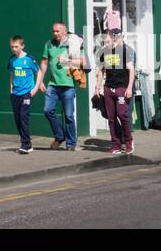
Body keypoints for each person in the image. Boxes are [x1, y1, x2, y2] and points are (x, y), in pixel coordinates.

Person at [35, 22, 84, 150]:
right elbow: (44, 63)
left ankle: (71, 143)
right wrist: (40, 81)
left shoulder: (74, 44)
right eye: (54, 31)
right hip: (53, 85)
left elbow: (83, 63)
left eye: (58, 31)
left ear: (64, 31)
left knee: (68, 115)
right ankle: (59, 136)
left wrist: (67, 61)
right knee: (47, 110)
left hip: (68, 85)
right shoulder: (49, 44)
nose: (55, 33)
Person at [95, 29, 136, 155]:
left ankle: (128, 141)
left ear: (113, 39)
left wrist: (129, 88)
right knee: (111, 118)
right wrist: (97, 86)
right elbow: (101, 71)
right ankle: (116, 144)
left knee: (122, 114)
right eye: (103, 42)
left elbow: (131, 70)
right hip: (108, 88)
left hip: (121, 88)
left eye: (107, 41)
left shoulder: (124, 51)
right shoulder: (103, 53)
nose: (105, 43)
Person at [8, 34, 37, 154]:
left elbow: (39, 72)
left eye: (16, 46)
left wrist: (35, 88)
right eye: (12, 47)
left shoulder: (29, 59)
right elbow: (12, 74)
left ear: (22, 46)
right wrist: (11, 88)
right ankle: (27, 142)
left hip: (26, 93)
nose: (14, 49)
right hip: (15, 93)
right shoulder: (12, 60)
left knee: (24, 117)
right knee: (17, 119)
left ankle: (25, 144)